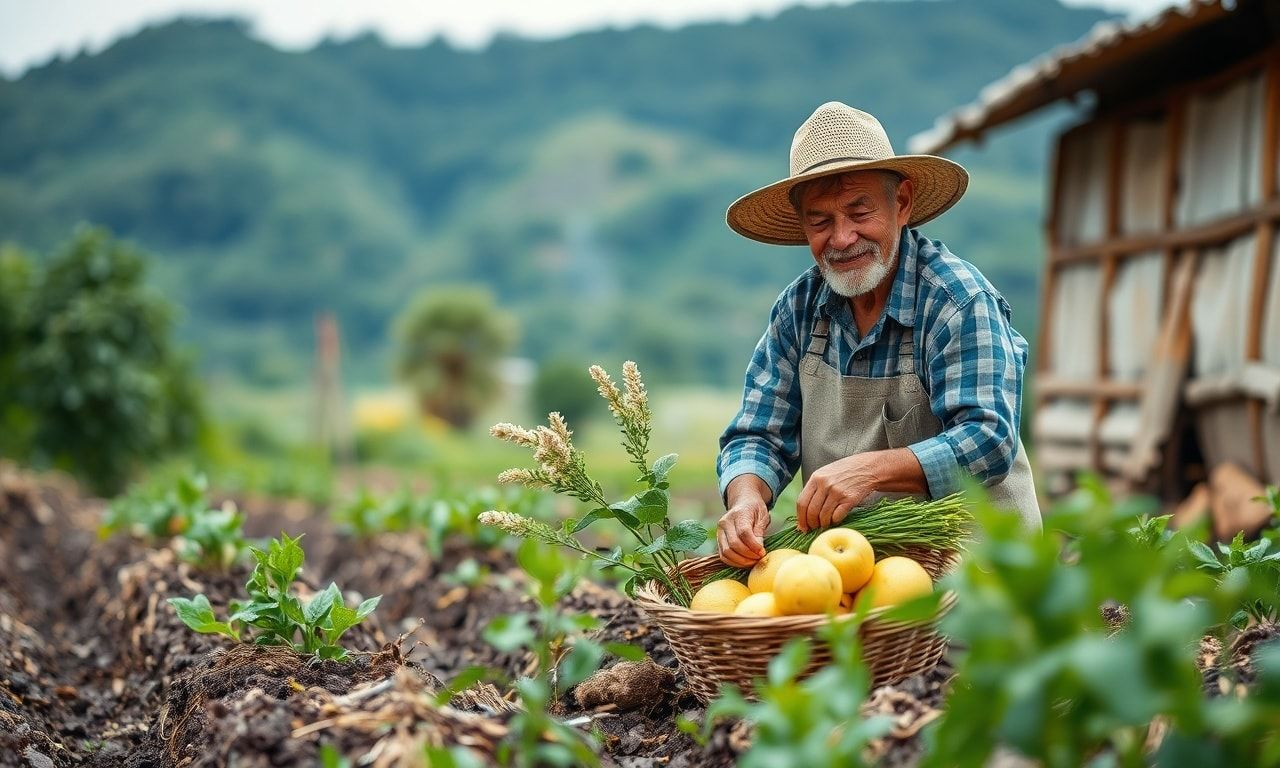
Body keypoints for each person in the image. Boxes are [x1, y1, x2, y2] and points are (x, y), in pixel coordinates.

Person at [715, 101, 1041, 568]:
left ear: (901, 204)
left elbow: (987, 439)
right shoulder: (799, 309)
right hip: (858, 573)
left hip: (979, 574)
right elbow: (757, 434)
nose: (842, 238)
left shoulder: (957, 302)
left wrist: (870, 470)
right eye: (820, 221)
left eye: (859, 211)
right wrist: (746, 497)